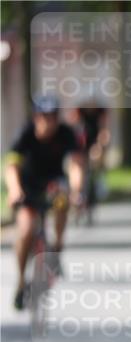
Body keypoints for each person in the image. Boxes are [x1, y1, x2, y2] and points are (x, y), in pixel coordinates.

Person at [5, 95, 84, 310]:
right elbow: (12, 166)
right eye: (43, 116)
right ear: (36, 116)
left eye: (52, 116)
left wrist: (76, 191)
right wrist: (14, 190)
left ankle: (56, 248)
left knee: (62, 201)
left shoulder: (66, 133)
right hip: (27, 187)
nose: (48, 121)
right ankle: (21, 282)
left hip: (53, 184)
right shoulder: (26, 133)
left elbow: (76, 165)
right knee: (25, 231)